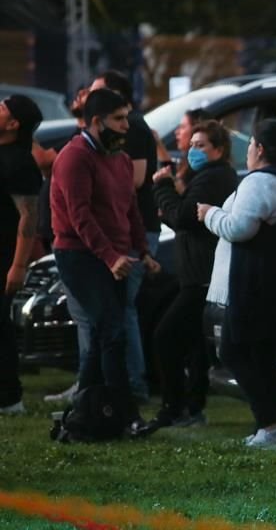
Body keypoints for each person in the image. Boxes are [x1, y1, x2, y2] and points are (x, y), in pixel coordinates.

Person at [49, 89, 160, 430]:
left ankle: (88, 410)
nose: (127, 125)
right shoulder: (74, 157)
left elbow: (131, 211)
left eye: (126, 116)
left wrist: (141, 251)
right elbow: (79, 216)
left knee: (102, 334)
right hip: (79, 255)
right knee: (112, 331)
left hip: (114, 255)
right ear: (97, 122)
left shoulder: (120, 158)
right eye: (119, 118)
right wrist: (111, 257)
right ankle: (126, 416)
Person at [200, 120, 276, 448]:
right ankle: (269, 424)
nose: (246, 151)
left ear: (260, 149)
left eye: (249, 145)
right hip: (275, 280)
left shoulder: (262, 181)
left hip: (255, 283)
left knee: (235, 350)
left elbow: (238, 228)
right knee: (259, 355)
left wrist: (209, 214)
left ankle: (270, 424)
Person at [145, 120, 238, 432]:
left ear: (219, 149)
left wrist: (162, 187)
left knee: (166, 336)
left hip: (201, 278)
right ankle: (192, 408)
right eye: (192, 145)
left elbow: (183, 217)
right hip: (198, 275)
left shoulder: (213, 177)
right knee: (197, 346)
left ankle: (173, 407)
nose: (193, 151)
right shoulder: (207, 176)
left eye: (201, 146)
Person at [90, 70, 158, 403]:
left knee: (123, 310)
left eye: (96, 92)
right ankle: (104, 384)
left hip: (134, 232)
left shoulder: (131, 128)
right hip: (125, 232)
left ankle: (133, 386)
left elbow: (135, 181)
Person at [0, 95, 43, 415]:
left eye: (2, 108)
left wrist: (18, 265)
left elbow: (28, 217)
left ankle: (9, 398)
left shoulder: (19, 161)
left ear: (14, 123)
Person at [156, 108, 214, 192]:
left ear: (196, 131)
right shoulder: (188, 161)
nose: (176, 132)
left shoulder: (199, 166)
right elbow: (171, 173)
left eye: (182, 127)